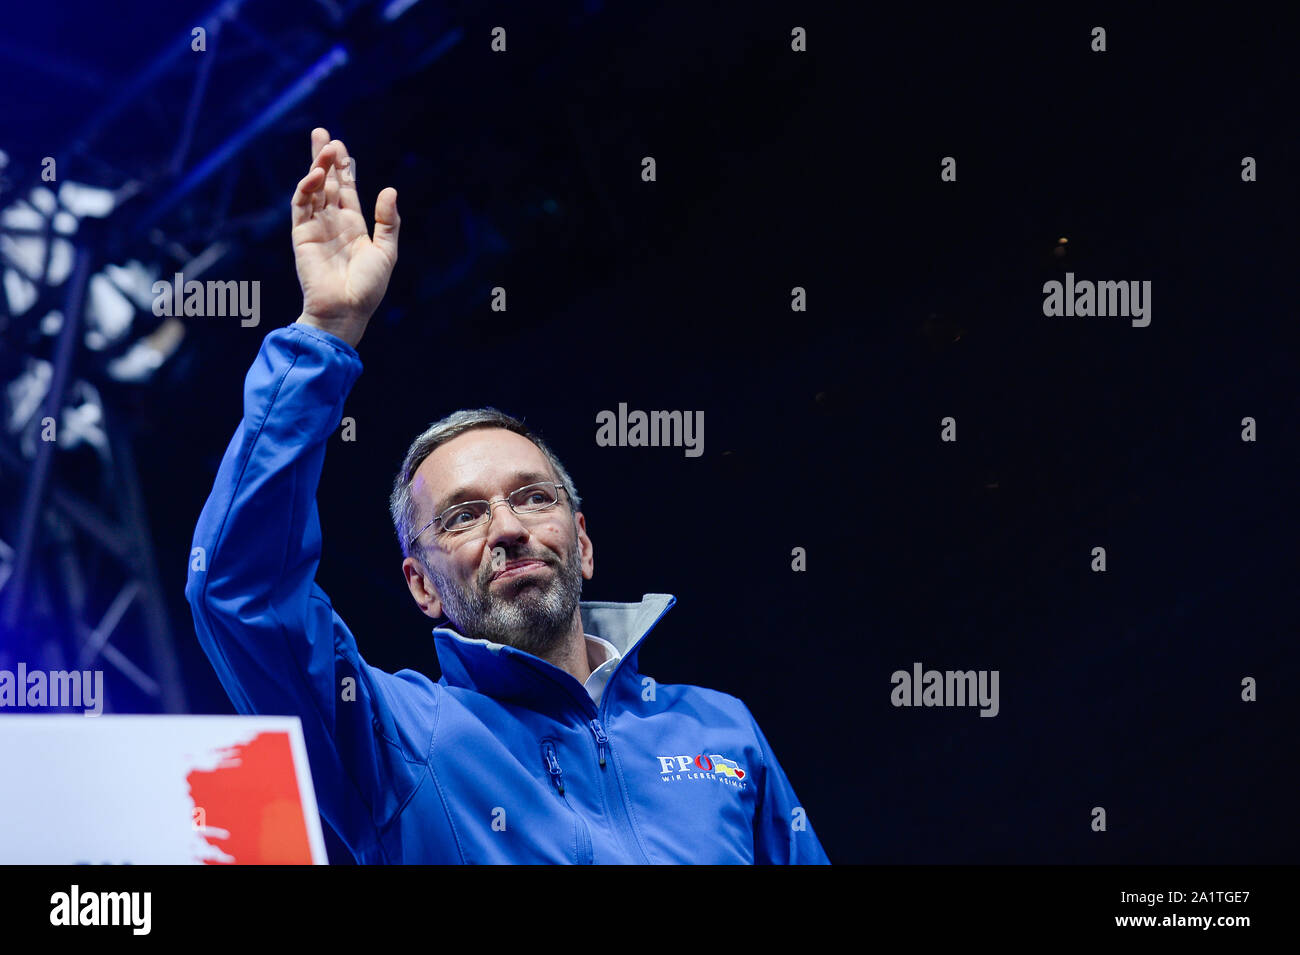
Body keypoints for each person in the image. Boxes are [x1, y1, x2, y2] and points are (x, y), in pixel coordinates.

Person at [185, 128, 829, 864]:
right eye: (463, 515)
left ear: (581, 542)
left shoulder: (719, 728)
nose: (507, 527)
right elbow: (241, 590)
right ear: (420, 582)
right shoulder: (396, 738)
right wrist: (324, 334)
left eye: (532, 499)